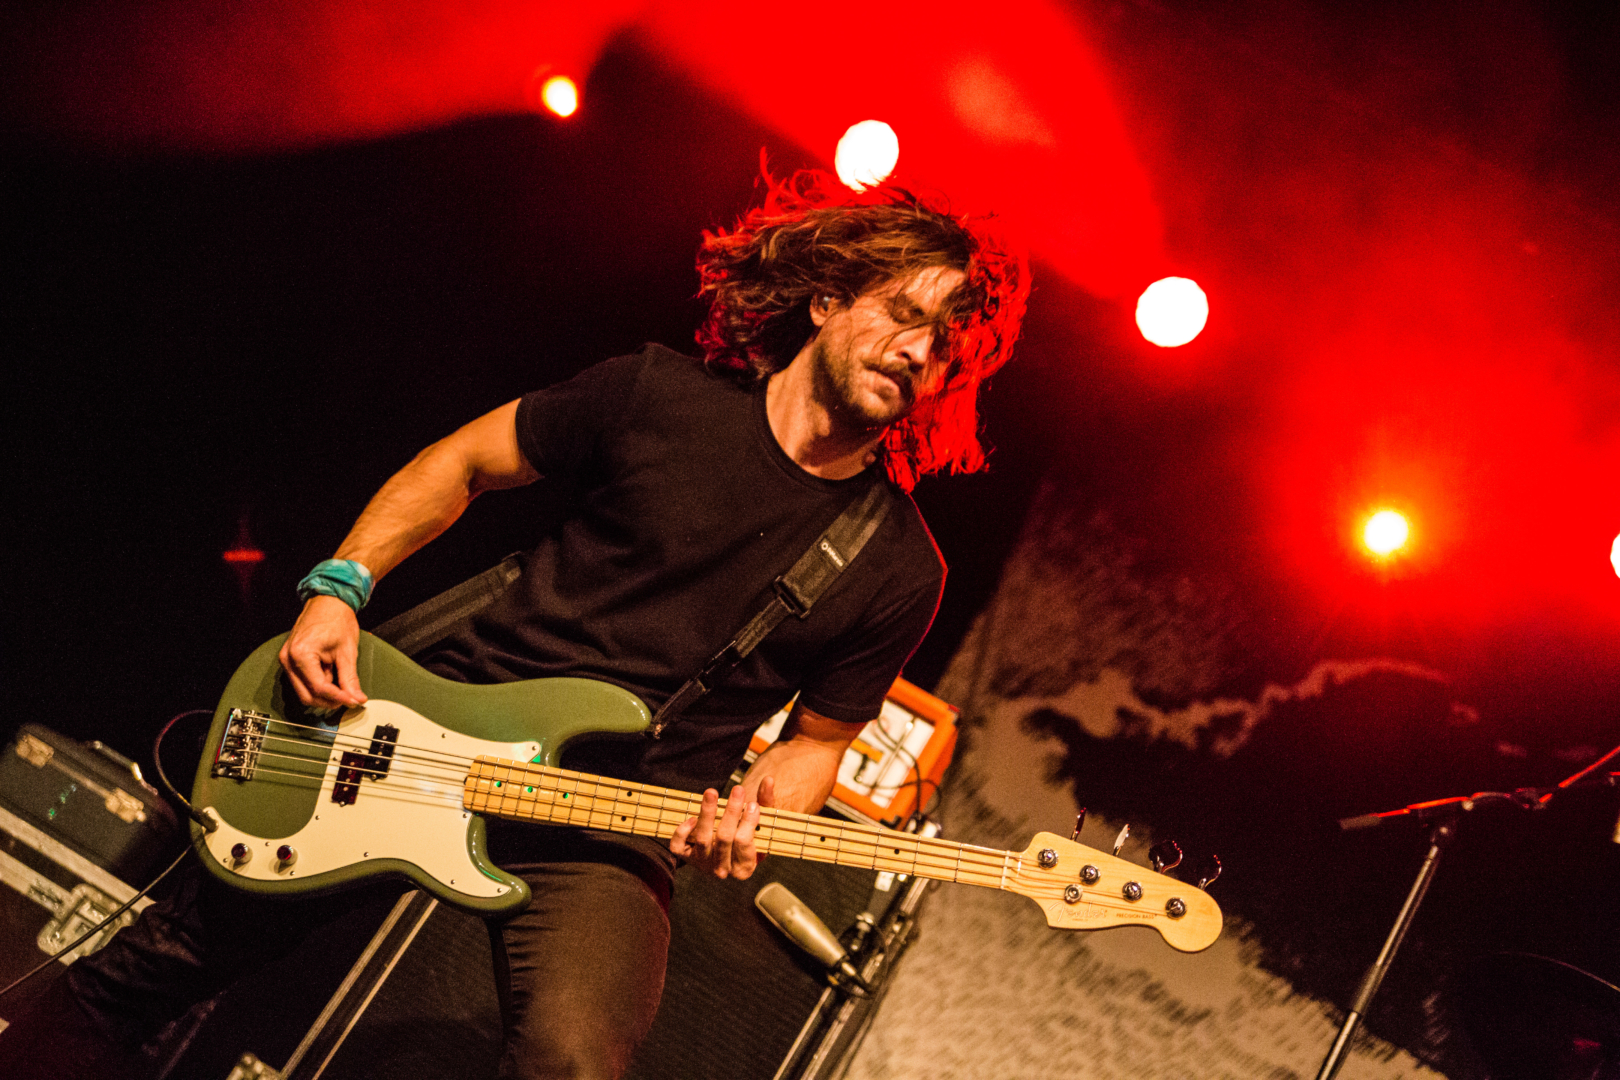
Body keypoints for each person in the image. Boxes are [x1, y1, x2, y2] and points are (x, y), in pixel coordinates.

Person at [0, 167, 1026, 1080]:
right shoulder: (653, 393)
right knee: (150, 968)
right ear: (828, 297)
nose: (918, 351)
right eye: (905, 313)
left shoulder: (899, 566)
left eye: (944, 345)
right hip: (412, 731)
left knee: (573, 1061)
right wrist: (337, 588)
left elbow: (817, 745)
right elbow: (462, 464)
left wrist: (758, 813)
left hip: (609, 820)